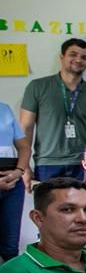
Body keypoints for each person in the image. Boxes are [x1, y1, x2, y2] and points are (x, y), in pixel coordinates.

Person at [20, 38, 86, 186]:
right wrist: (23, 167)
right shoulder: (37, 87)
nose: (78, 60)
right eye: (73, 54)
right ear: (62, 57)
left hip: (84, 165)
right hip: (47, 164)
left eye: (84, 57)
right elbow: (25, 129)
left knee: (84, 208)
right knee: (49, 208)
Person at [0, 100, 31, 260]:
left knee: (10, 245)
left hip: (12, 181)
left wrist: (19, 172)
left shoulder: (4, 108)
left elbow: (24, 147)